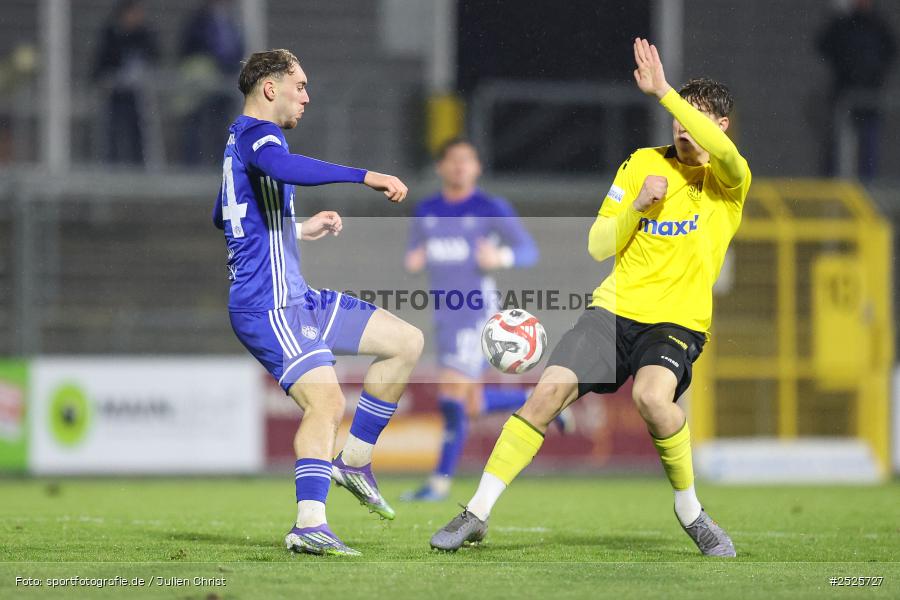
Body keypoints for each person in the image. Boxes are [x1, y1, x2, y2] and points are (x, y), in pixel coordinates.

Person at [430, 38, 751, 557]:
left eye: (696, 117)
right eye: (677, 115)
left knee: (652, 398)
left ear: (720, 126)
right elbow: (599, 242)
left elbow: (730, 157)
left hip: (676, 323)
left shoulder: (727, 181)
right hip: (612, 312)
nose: (681, 124)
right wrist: (639, 208)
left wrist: (664, 90)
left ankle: (690, 510)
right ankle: (477, 512)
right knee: (546, 393)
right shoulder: (642, 164)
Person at [213, 49, 423, 556]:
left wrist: (296, 230)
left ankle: (353, 460)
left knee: (404, 342)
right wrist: (364, 175)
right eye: (300, 86)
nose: (306, 96)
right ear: (270, 88)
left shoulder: (237, 141)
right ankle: (309, 524)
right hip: (269, 305)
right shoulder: (261, 136)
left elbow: (226, 215)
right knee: (327, 402)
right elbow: (282, 165)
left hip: (298, 296)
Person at [401, 139, 573, 502]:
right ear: (441, 167)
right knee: (469, 404)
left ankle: (438, 484)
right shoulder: (427, 210)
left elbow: (528, 250)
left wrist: (501, 257)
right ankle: (539, 398)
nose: (462, 166)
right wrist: (414, 261)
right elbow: (414, 255)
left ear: (477, 168)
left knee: (451, 396)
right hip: (445, 317)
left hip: (477, 313)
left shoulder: (490, 207)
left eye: (469, 160)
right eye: (454, 160)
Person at [817, 0, 896, 179]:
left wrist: (875, 75)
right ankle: (834, 186)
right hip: (844, 96)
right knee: (838, 146)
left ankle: (866, 187)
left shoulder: (878, 25)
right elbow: (824, 45)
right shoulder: (843, 25)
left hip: (870, 96)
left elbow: (890, 51)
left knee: (869, 147)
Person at [92, 0, 159, 165]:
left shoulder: (144, 35)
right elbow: (99, 65)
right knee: (113, 132)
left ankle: (139, 165)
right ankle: (112, 165)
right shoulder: (111, 35)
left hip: (137, 95)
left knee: (138, 132)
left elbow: (155, 56)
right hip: (115, 95)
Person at [180, 0, 245, 165]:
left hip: (223, 83)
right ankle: (192, 164)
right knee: (195, 123)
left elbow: (237, 49)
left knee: (220, 124)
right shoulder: (199, 21)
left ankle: (219, 162)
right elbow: (190, 48)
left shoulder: (231, 22)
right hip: (202, 83)